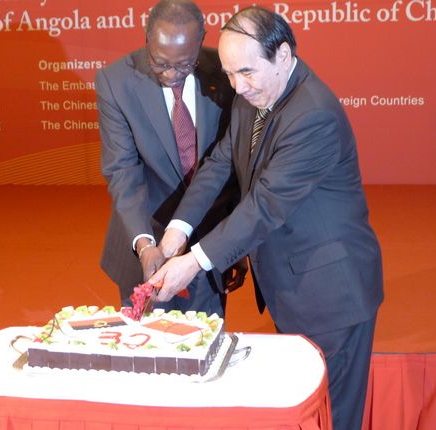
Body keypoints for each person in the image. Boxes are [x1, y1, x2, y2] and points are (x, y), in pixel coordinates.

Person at [150, 6, 384, 430]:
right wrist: (174, 235)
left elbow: (264, 207)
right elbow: (220, 162)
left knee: (333, 416)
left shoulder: (313, 115)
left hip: (331, 293)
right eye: (229, 73)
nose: (237, 86)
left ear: (284, 55)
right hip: (291, 286)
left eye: (246, 72)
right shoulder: (257, 93)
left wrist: (192, 262)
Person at [95, 0, 246, 316]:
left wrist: (235, 247)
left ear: (201, 41)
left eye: (184, 65)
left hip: (206, 242)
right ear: (147, 37)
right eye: (160, 62)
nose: (171, 74)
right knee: (145, 348)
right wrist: (145, 244)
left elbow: (231, 167)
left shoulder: (227, 74)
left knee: (203, 346)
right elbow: (123, 170)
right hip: (146, 239)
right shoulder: (116, 82)